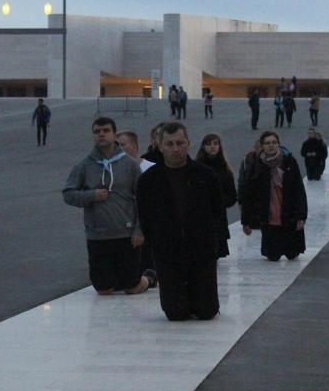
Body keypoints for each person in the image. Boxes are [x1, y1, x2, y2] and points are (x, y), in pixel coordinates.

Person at [137, 122, 222, 320]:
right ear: (160, 146)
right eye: (169, 144)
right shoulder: (148, 180)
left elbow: (217, 211)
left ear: (188, 144)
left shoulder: (206, 176)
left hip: (201, 249)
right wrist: (156, 242)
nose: (175, 149)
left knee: (206, 311)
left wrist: (210, 239)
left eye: (179, 143)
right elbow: (145, 216)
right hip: (168, 252)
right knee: (176, 313)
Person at [63, 117, 154, 295]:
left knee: (132, 286)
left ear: (114, 134)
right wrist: (91, 195)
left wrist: (139, 230)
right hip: (98, 235)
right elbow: (68, 194)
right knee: (103, 289)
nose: (101, 134)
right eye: (97, 131)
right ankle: (114, 280)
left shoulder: (129, 164)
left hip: (126, 233)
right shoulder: (84, 165)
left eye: (106, 130)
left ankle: (149, 278)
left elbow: (144, 199)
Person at [240, 131, 308, 261]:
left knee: (292, 254)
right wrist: (246, 220)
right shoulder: (257, 164)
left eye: (274, 142)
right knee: (273, 256)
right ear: (262, 146)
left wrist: (302, 215)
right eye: (267, 143)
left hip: (289, 210)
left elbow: (299, 189)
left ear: (278, 144)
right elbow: (249, 193)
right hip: (269, 211)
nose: (271, 145)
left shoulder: (289, 161)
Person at [195, 133, 237, 258]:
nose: (212, 146)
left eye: (215, 143)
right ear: (203, 147)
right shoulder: (196, 168)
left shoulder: (225, 170)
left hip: (218, 217)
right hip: (200, 217)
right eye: (209, 144)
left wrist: (218, 201)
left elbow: (232, 196)